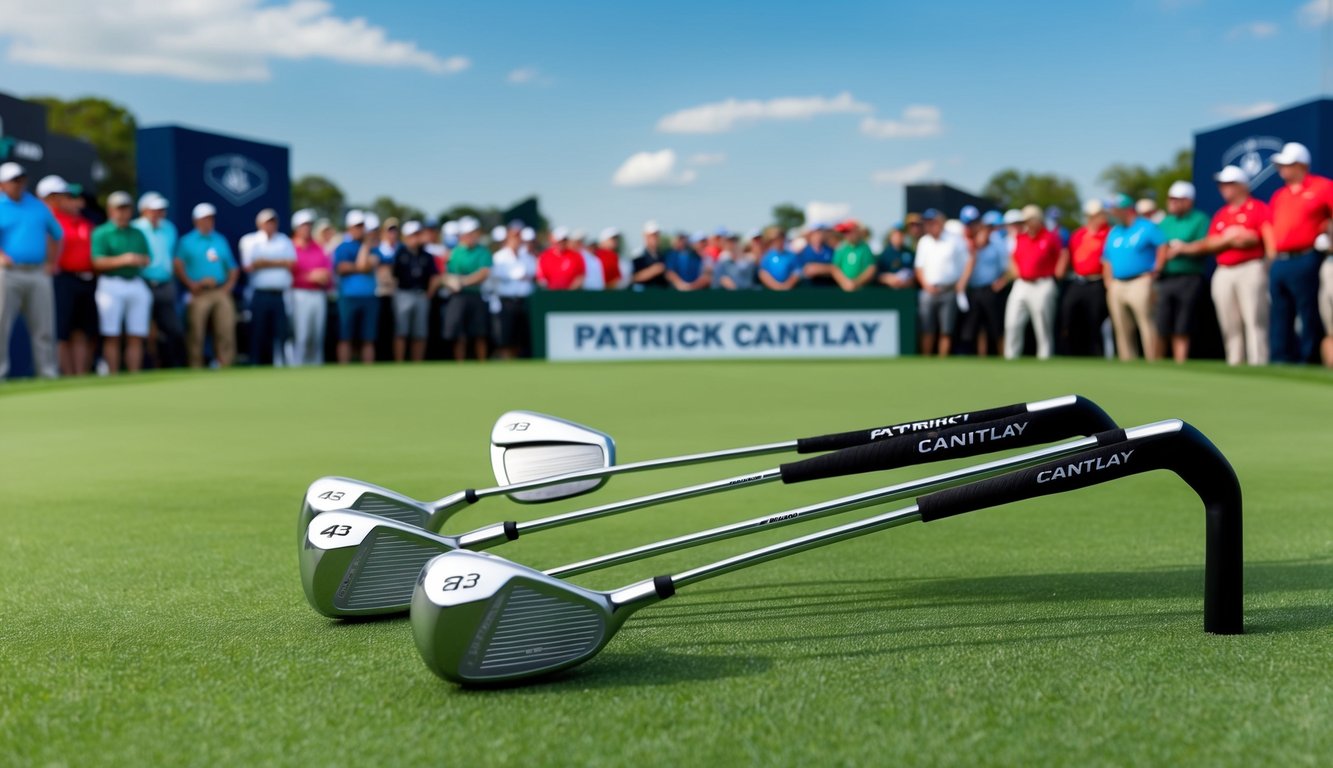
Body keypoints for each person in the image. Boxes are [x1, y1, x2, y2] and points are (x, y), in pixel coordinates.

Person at [1174, 166, 1271, 366]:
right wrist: (1231, 238)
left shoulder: (1258, 207)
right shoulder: (1222, 214)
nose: (1223, 188)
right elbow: (1210, 243)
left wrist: (1227, 239)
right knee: (1229, 322)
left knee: (1254, 319)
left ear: (1242, 185)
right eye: (1222, 184)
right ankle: (1234, 363)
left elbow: (1255, 239)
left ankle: (1258, 364)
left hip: (1251, 267)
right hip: (1224, 270)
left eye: (1229, 184)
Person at [1267, 141, 1332, 363]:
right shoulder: (1279, 195)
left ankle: (1308, 359)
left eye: (1287, 165)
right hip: (1280, 261)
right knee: (1279, 313)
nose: (1281, 170)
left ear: (1301, 165)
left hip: (1307, 257)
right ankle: (1279, 359)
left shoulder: (1322, 187)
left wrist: (1327, 230)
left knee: (1308, 312)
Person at [0, 162, 62, 379]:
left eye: (21, 180)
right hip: (7, 274)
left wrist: (50, 263)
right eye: (13, 180)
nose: (18, 184)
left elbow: (56, 235)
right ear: (2, 185)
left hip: (38, 273)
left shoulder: (38, 206)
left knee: (44, 328)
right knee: (1, 326)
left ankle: (47, 373)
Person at [39, 175, 97, 375]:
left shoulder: (85, 223)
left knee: (81, 332)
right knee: (62, 332)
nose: (72, 200)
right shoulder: (49, 218)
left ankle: (80, 376)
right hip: (62, 279)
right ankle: (67, 375)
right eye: (64, 196)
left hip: (87, 281)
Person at [90, 191, 152, 374]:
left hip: (135, 282)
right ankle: (114, 375)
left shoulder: (138, 232)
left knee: (136, 335)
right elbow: (97, 262)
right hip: (110, 284)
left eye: (126, 209)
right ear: (111, 211)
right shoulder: (101, 232)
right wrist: (124, 259)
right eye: (119, 209)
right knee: (112, 335)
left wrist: (136, 260)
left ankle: (134, 375)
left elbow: (147, 258)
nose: (123, 213)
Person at [1151, 181, 1212, 363]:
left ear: (1188, 201)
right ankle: (1155, 365)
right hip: (1166, 278)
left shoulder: (1200, 219)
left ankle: (1180, 363)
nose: (1173, 203)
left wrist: (1182, 249)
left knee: (1182, 325)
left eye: (1177, 200)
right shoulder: (1166, 221)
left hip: (1189, 278)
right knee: (1161, 324)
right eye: (1171, 199)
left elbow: (1205, 245)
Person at [174, 203, 238, 368]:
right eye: (204, 219)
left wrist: (228, 287)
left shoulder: (220, 239)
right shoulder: (187, 241)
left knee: (226, 329)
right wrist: (190, 284)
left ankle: (226, 365)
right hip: (199, 293)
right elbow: (178, 264)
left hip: (220, 290)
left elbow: (232, 267)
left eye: (210, 218)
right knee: (197, 332)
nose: (208, 222)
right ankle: (196, 366)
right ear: (196, 221)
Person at [1103, 194, 1163, 361]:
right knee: (1121, 327)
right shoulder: (1114, 231)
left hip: (1141, 281)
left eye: (1116, 210)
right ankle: (1127, 362)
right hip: (1117, 284)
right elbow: (1106, 258)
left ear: (1127, 210)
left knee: (1146, 323)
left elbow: (1162, 246)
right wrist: (1109, 281)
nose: (1113, 214)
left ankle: (1153, 362)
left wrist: (1156, 269)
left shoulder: (1147, 227)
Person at [999, 205, 1061, 360]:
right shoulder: (1021, 237)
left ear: (1038, 220)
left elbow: (1062, 255)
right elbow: (1013, 256)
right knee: (1012, 323)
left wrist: (1058, 273)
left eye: (1029, 220)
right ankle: (1011, 357)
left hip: (1043, 283)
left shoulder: (1050, 237)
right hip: (1022, 283)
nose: (1026, 223)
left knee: (1042, 325)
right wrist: (1015, 270)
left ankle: (1044, 358)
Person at [132, 192, 186, 368]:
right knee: (143, 331)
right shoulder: (135, 228)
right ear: (144, 211)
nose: (158, 214)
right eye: (154, 210)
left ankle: (171, 366)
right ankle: (146, 367)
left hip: (165, 284)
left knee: (173, 329)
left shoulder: (169, 228)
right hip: (142, 283)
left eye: (161, 210)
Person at [238, 208, 295, 366]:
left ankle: (282, 364)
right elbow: (249, 265)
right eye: (267, 222)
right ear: (259, 224)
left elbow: (290, 263)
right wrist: (278, 262)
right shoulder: (250, 240)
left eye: (273, 222)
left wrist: (265, 262)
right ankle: (255, 363)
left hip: (279, 294)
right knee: (258, 332)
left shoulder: (284, 240)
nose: (271, 225)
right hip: (259, 294)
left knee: (281, 332)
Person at [913, 209, 970, 357]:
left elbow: (968, 261)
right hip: (928, 290)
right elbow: (919, 268)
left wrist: (961, 283)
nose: (929, 226)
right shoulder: (924, 242)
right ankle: (926, 360)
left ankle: (942, 362)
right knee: (927, 329)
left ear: (940, 223)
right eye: (927, 223)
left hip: (949, 289)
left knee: (946, 330)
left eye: (932, 222)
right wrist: (926, 285)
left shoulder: (955, 240)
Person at [1059, 199, 1111, 357]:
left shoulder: (1109, 233)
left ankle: (1096, 355)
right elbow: (1069, 254)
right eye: (1092, 215)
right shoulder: (1078, 234)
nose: (1095, 218)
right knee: (1069, 314)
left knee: (1095, 320)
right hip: (1078, 281)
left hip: (1098, 282)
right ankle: (1073, 353)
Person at [443, 216, 492, 361]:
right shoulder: (455, 253)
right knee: (458, 334)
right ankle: (460, 365)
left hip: (476, 295)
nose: (472, 236)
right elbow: (447, 274)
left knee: (479, 333)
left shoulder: (483, 251)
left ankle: (482, 363)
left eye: (474, 233)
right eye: (469, 233)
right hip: (458, 296)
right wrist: (451, 282)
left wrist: (463, 281)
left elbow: (483, 273)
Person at [961, 211, 1009, 356]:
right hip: (974, 290)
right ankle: (981, 357)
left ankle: (1003, 356)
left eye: (990, 228)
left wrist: (1001, 283)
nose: (987, 230)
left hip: (991, 290)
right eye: (985, 227)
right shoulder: (971, 245)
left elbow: (1006, 269)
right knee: (978, 327)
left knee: (996, 326)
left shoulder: (998, 244)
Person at [333, 210, 378, 364]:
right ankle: (344, 370)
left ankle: (368, 371)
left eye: (362, 226)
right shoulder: (343, 247)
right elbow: (342, 268)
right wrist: (361, 266)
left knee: (368, 338)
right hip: (348, 297)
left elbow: (368, 264)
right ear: (349, 228)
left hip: (369, 297)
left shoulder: (372, 247)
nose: (360, 229)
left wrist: (365, 248)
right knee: (345, 336)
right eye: (356, 226)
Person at [392, 220, 439, 362]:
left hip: (421, 295)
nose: (416, 238)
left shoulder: (427, 255)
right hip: (403, 294)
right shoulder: (399, 253)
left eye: (418, 234)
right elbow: (392, 274)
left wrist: (429, 293)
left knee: (419, 333)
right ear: (406, 237)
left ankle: (417, 363)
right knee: (401, 331)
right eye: (413, 235)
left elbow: (435, 276)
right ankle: (399, 363)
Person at [290, 208, 331, 366]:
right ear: (297, 228)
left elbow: (327, 272)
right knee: (302, 334)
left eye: (309, 225)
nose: (307, 228)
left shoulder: (318, 247)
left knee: (317, 334)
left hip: (318, 294)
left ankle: (316, 366)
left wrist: (319, 276)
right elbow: (289, 273)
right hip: (299, 294)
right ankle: (298, 365)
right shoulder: (291, 246)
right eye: (303, 225)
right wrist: (309, 276)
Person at [491, 225, 537, 358]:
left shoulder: (528, 256)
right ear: (508, 239)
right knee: (506, 336)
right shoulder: (499, 257)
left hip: (524, 301)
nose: (516, 240)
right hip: (507, 301)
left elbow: (532, 274)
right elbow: (499, 275)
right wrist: (515, 276)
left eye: (518, 237)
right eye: (514, 237)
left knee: (522, 336)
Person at [831, 221, 876, 292]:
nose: (847, 235)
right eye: (845, 232)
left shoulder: (865, 248)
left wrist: (856, 283)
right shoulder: (841, 248)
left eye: (849, 231)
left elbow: (871, 269)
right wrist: (844, 282)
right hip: (843, 290)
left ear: (857, 231)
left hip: (861, 290)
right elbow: (835, 268)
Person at [537, 227, 586, 292]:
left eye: (564, 240)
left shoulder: (576, 256)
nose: (561, 243)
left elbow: (580, 276)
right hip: (550, 295)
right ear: (554, 240)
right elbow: (541, 278)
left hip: (571, 296)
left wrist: (568, 292)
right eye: (559, 240)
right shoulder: (544, 256)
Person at [631, 221, 669, 289]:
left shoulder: (664, 256)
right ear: (645, 236)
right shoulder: (638, 255)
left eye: (656, 235)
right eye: (652, 235)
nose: (655, 238)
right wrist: (652, 271)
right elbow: (633, 278)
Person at [877, 224, 915, 290]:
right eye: (896, 235)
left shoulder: (910, 253)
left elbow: (915, 272)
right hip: (888, 292)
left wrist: (908, 282)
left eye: (901, 235)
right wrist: (887, 278)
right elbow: (877, 274)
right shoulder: (885, 254)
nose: (898, 237)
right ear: (891, 237)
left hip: (906, 292)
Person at [797, 223, 836, 287]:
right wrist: (828, 269)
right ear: (811, 234)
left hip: (828, 287)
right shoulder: (803, 251)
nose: (819, 235)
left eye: (821, 232)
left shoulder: (830, 250)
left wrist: (818, 269)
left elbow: (835, 269)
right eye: (817, 233)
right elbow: (807, 271)